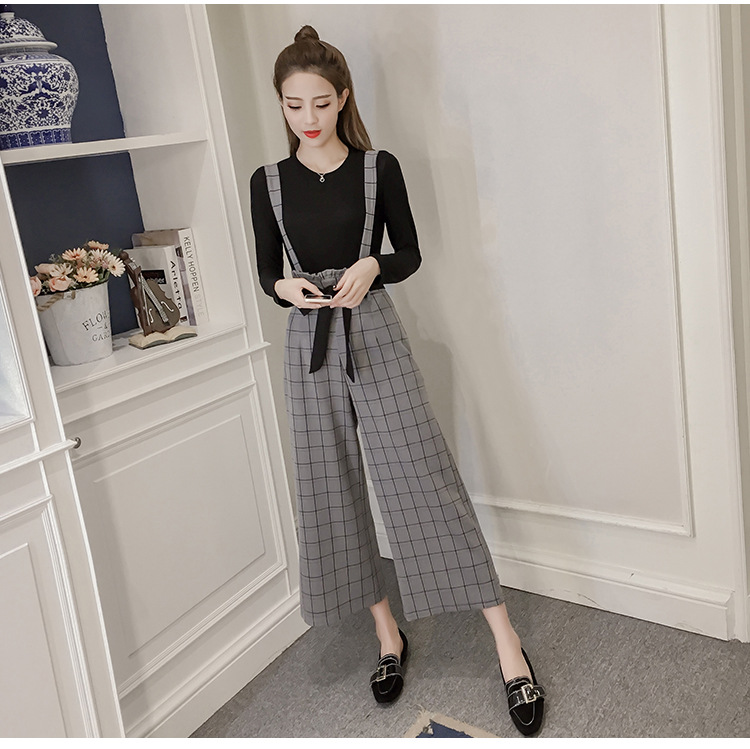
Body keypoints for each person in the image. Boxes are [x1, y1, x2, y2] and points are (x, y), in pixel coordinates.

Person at [250, 25, 546, 737]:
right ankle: (388, 633)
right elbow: (266, 271)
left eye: (322, 102)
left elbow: (408, 252)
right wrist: (284, 289)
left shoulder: (377, 168)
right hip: (308, 345)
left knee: (423, 477)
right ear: (281, 104)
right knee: (331, 488)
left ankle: (507, 644)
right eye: (294, 105)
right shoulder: (267, 182)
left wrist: (372, 265)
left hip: (374, 330)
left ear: (343, 96)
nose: (309, 117)